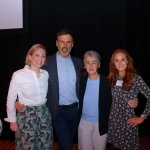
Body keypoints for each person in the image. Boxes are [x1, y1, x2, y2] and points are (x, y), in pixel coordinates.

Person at [15, 29, 83, 150]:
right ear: (57, 43)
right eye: (62, 42)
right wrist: (20, 100)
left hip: (75, 112)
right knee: (67, 146)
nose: (65, 45)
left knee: (67, 144)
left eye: (68, 42)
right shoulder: (47, 61)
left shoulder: (78, 62)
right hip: (58, 113)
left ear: (72, 44)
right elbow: (28, 78)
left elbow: (84, 84)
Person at [4, 44, 54, 150]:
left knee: (46, 145)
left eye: (43, 56)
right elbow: (11, 99)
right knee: (27, 146)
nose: (40, 59)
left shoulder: (46, 74)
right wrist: (12, 120)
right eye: (37, 55)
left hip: (43, 114)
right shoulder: (18, 75)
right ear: (30, 57)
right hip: (26, 115)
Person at [106, 49, 150, 150]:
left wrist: (143, 117)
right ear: (113, 63)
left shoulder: (135, 78)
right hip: (114, 121)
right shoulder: (112, 78)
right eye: (116, 60)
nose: (120, 63)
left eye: (122, 60)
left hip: (128, 122)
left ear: (127, 61)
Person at [78, 50, 112, 150]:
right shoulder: (81, 81)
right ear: (84, 66)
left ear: (99, 65)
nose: (91, 66)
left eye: (94, 62)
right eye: (87, 63)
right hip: (84, 123)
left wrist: (135, 102)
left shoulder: (107, 82)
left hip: (100, 124)